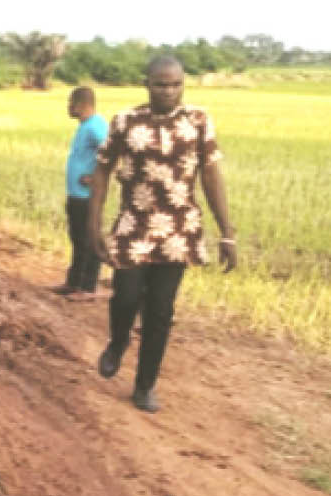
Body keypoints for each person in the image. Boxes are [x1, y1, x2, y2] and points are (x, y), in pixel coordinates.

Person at [88, 56, 236, 413]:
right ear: (147, 84)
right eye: (160, 84)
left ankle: (144, 385)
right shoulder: (125, 121)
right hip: (134, 224)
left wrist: (227, 233)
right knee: (124, 297)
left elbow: (211, 176)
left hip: (178, 230)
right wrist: (93, 226)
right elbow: (103, 168)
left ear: (183, 85)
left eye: (175, 84)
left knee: (160, 310)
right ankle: (118, 341)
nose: (168, 91)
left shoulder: (198, 121)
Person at [56, 87, 109, 301]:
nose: (68, 107)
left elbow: (111, 151)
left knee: (89, 239)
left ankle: (87, 287)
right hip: (77, 194)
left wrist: (96, 177)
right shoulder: (86, 126)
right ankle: (74, 282)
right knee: (78, 238)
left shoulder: (96, 126)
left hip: (87, 196)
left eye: (70, 103)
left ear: (79, 105)